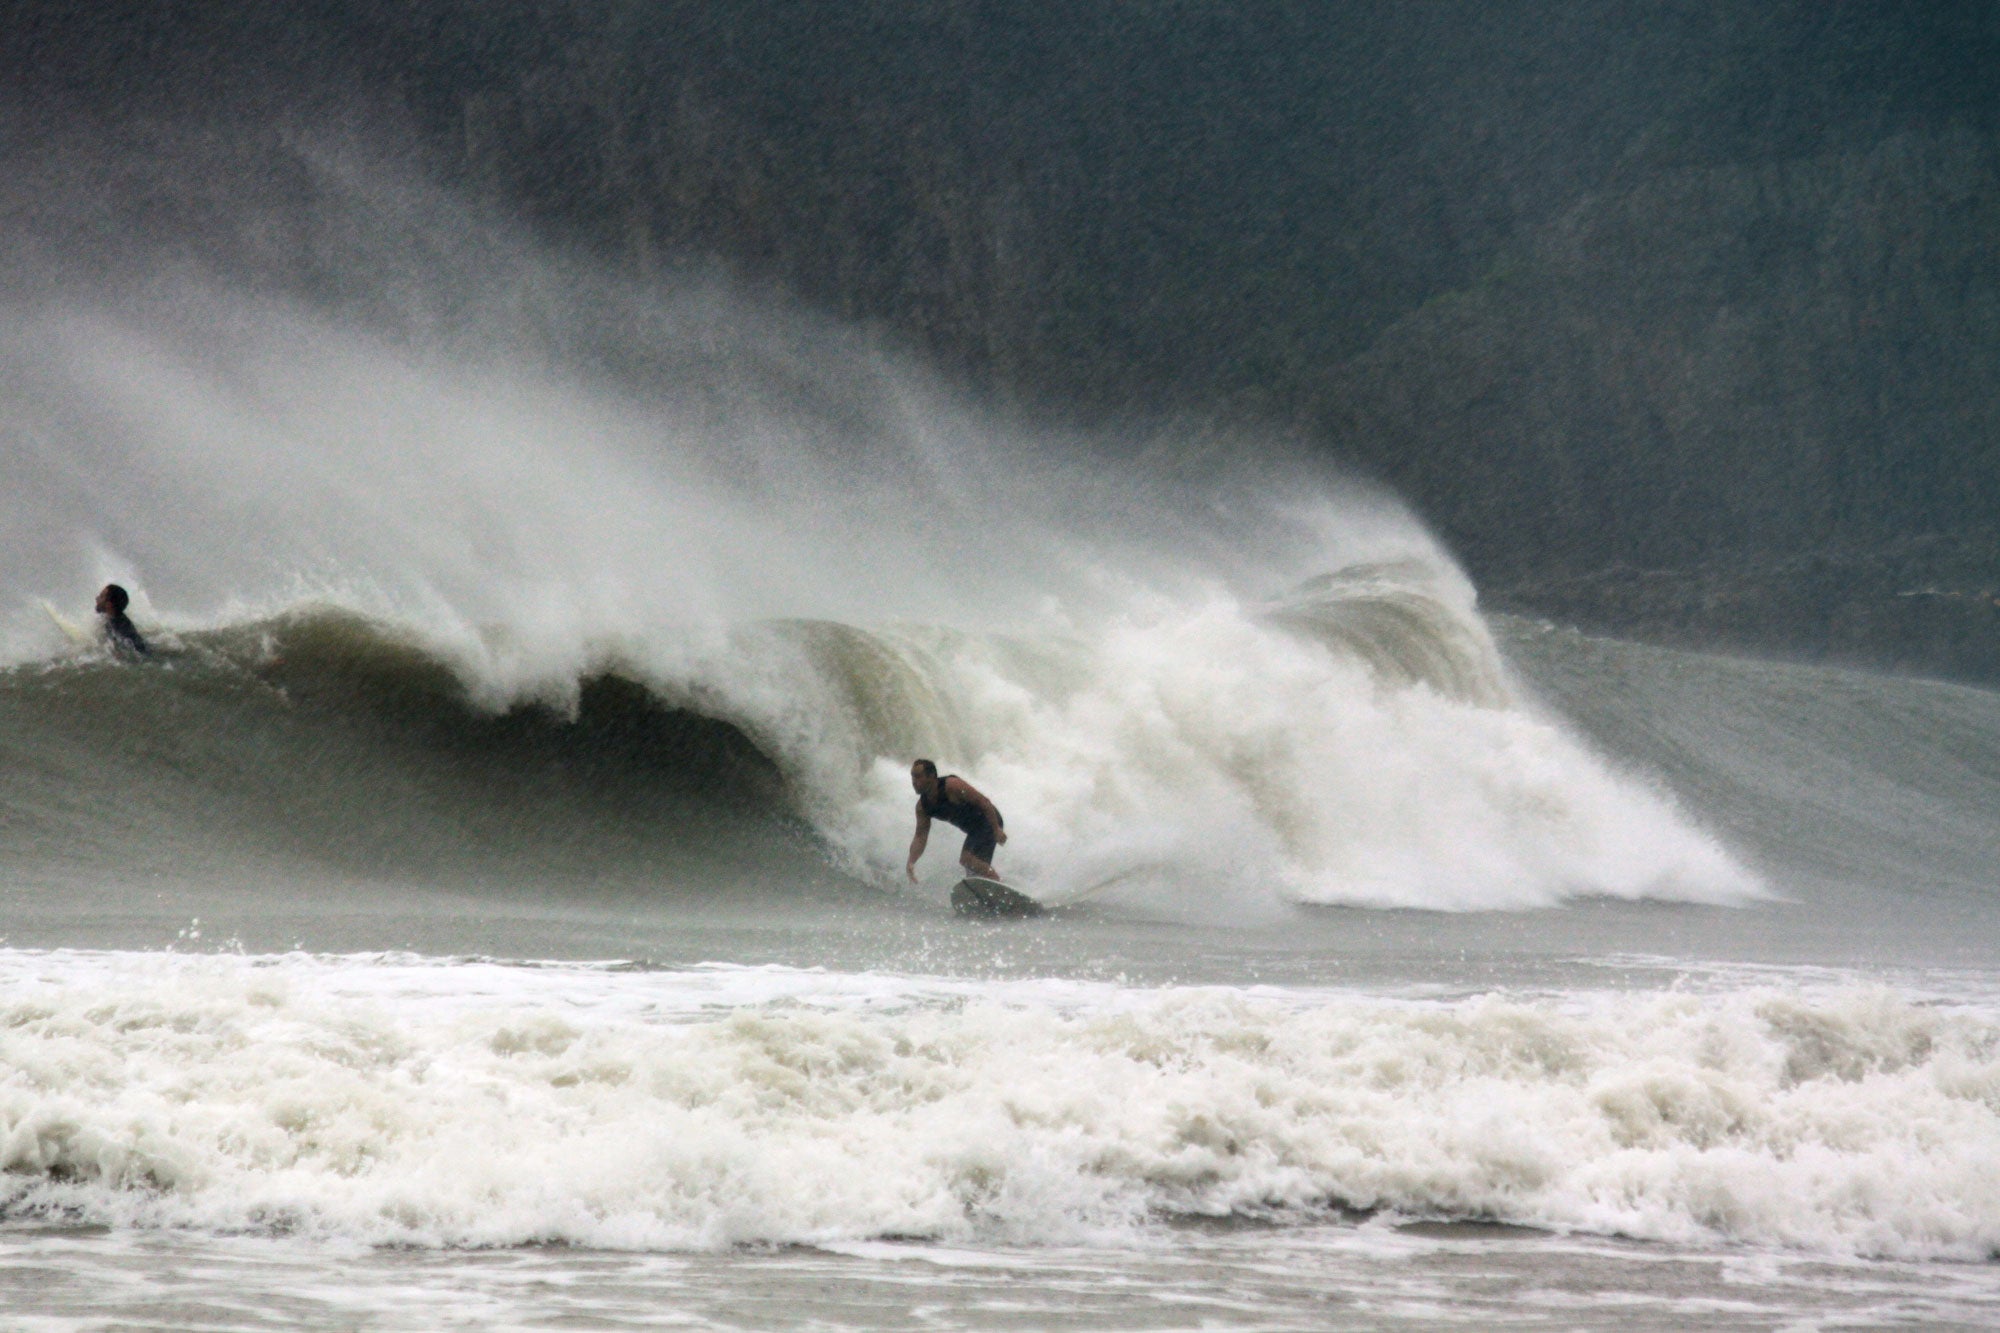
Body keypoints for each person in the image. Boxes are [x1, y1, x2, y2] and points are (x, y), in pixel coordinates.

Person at [906, 758, 1007, 882]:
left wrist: (996, 829)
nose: (914, 782)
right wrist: (911, 861)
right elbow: (920, 836)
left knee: (967, 859)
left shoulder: (952, 785)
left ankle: (999, 885)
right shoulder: (923, 807)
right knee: (973, 873)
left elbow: (984, 802)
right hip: (975, 831)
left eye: (918, 777)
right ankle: (989, 893)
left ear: (931, 776)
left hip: (990, 820)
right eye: (912, 777)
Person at [95, 583, 149, 657]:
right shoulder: (115, 618)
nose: (97, 598)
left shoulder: (118, 629)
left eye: (101, 597)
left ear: (109, 604)